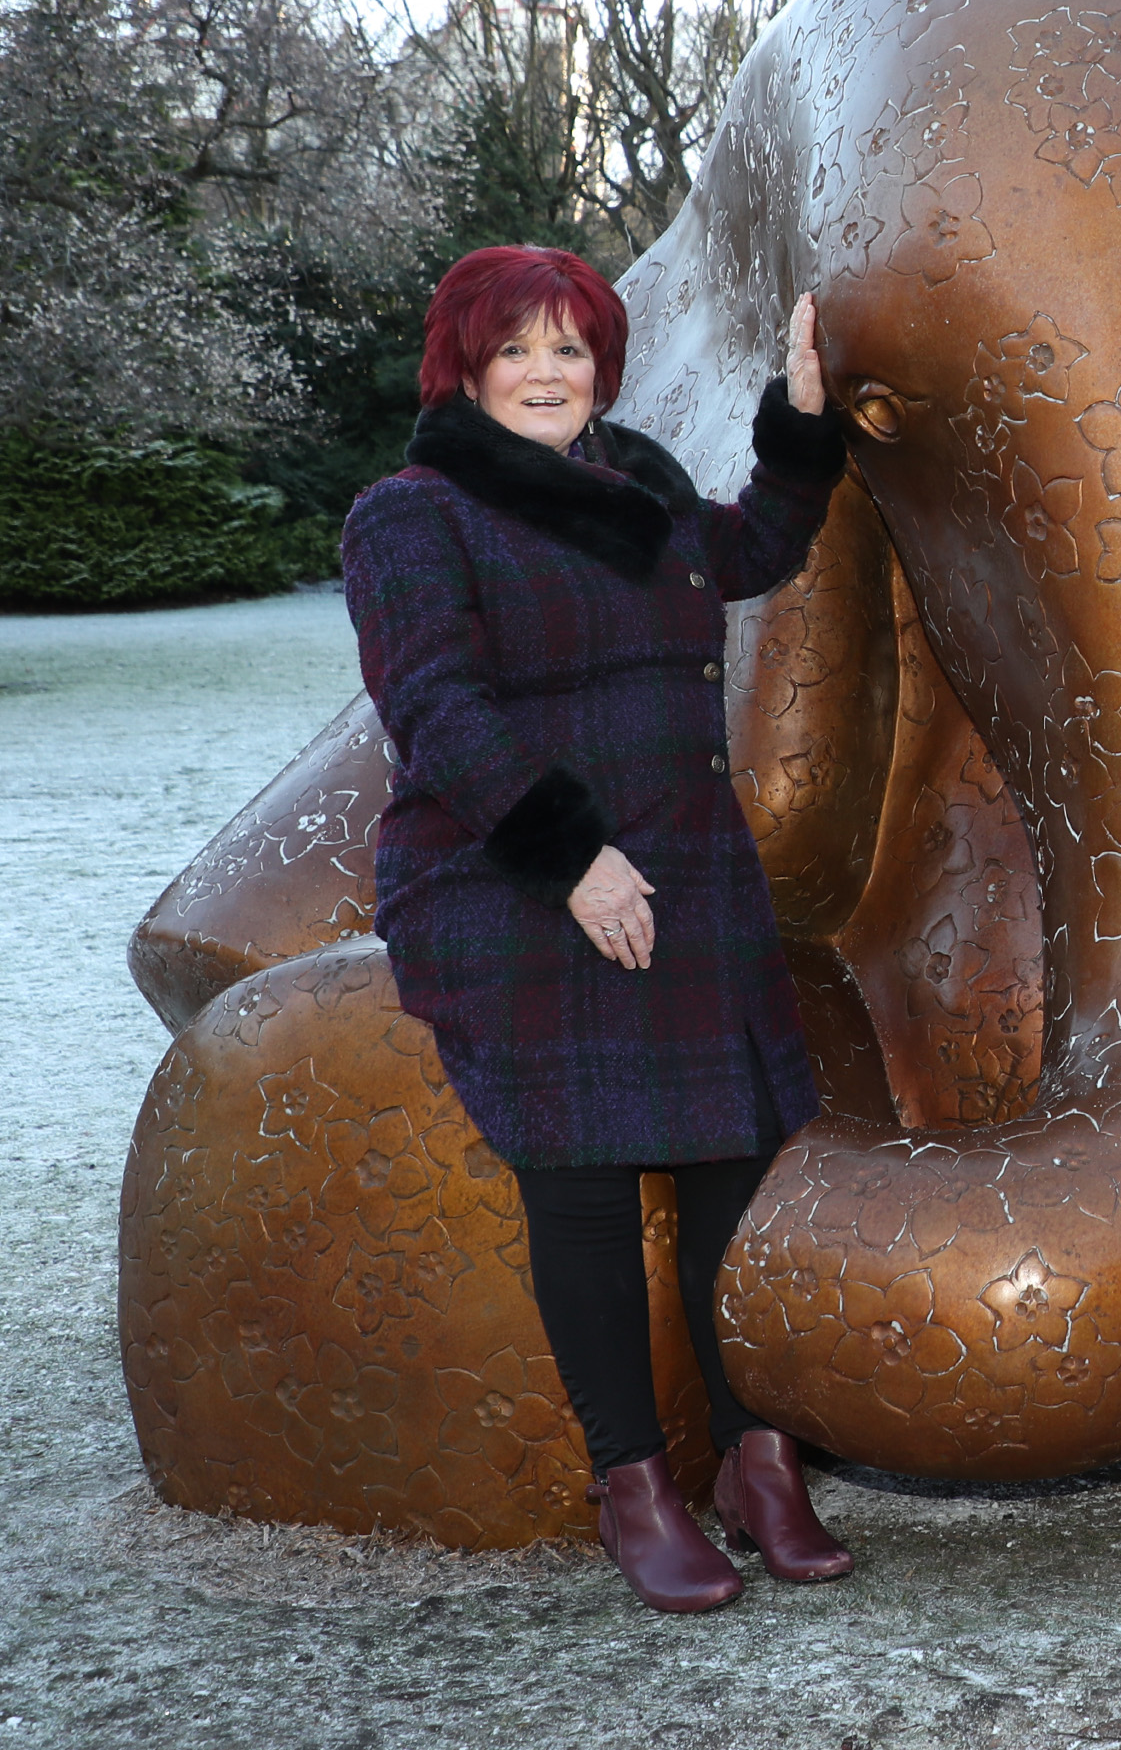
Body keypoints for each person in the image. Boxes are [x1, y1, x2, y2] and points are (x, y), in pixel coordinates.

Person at [341, 246, 853, 1614]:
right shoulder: (412, 511)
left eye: (570, 346)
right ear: (465, 366)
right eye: (515, 349)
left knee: (733, 1170)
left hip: (686, 868)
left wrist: (801, 415)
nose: (546, 372)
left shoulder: (639, 488)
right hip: (515, 883)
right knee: (580, 1179)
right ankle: (634, 1484)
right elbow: (437, 708)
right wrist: (574, 861)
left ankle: (759, 1461)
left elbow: (753, 545)